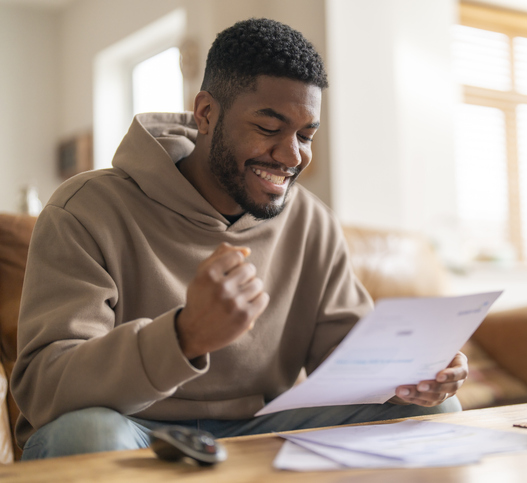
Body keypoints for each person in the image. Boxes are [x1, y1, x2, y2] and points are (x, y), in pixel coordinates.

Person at [10, 18, 467, 460]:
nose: (292, 155)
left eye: (306, 135)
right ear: (207, 113)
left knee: (431, 410)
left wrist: (416, 373)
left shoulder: (311, 222)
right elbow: (43, 387)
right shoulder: (86, 208)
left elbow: (354, 363)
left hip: (261, 428)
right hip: (133, 429)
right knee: (87, 432)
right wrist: (182, 337)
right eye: (269, 128)